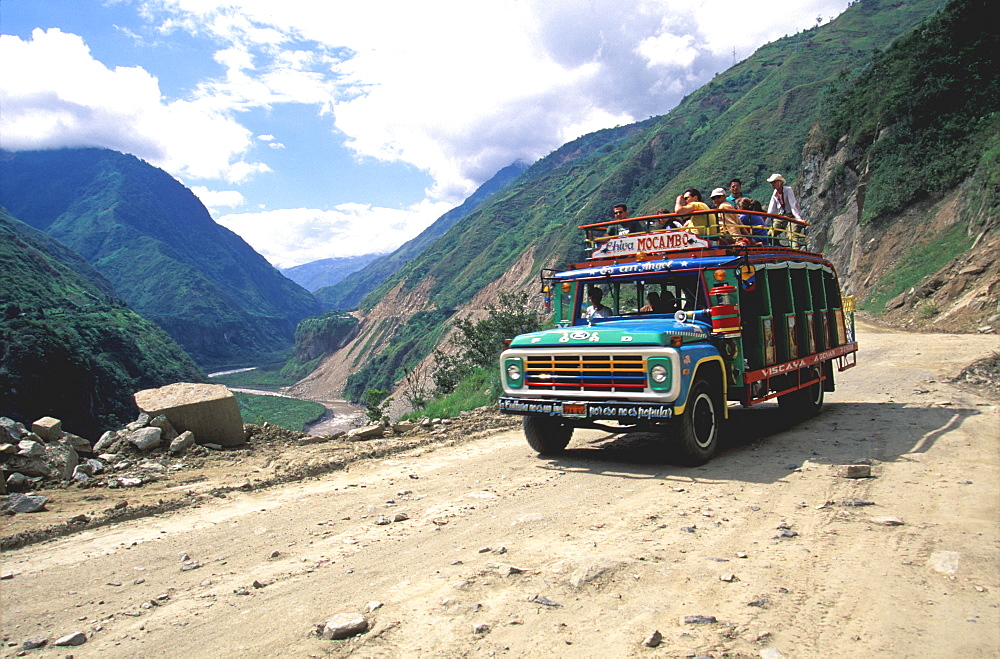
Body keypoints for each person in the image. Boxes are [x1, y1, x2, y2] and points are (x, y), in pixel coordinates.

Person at [766, 174, 805, 248]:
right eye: (771, 183)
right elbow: (771, 209)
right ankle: (778, 247)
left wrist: (799, 219)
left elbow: (793, 205)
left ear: (780, 182)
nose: (772, 184)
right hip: (781, 216)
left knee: (792, 234)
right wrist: (766, 224)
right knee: (770, 233)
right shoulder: (774, 193)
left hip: (791, 216)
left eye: (774, 182)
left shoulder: (788, 190)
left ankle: (796, 252)